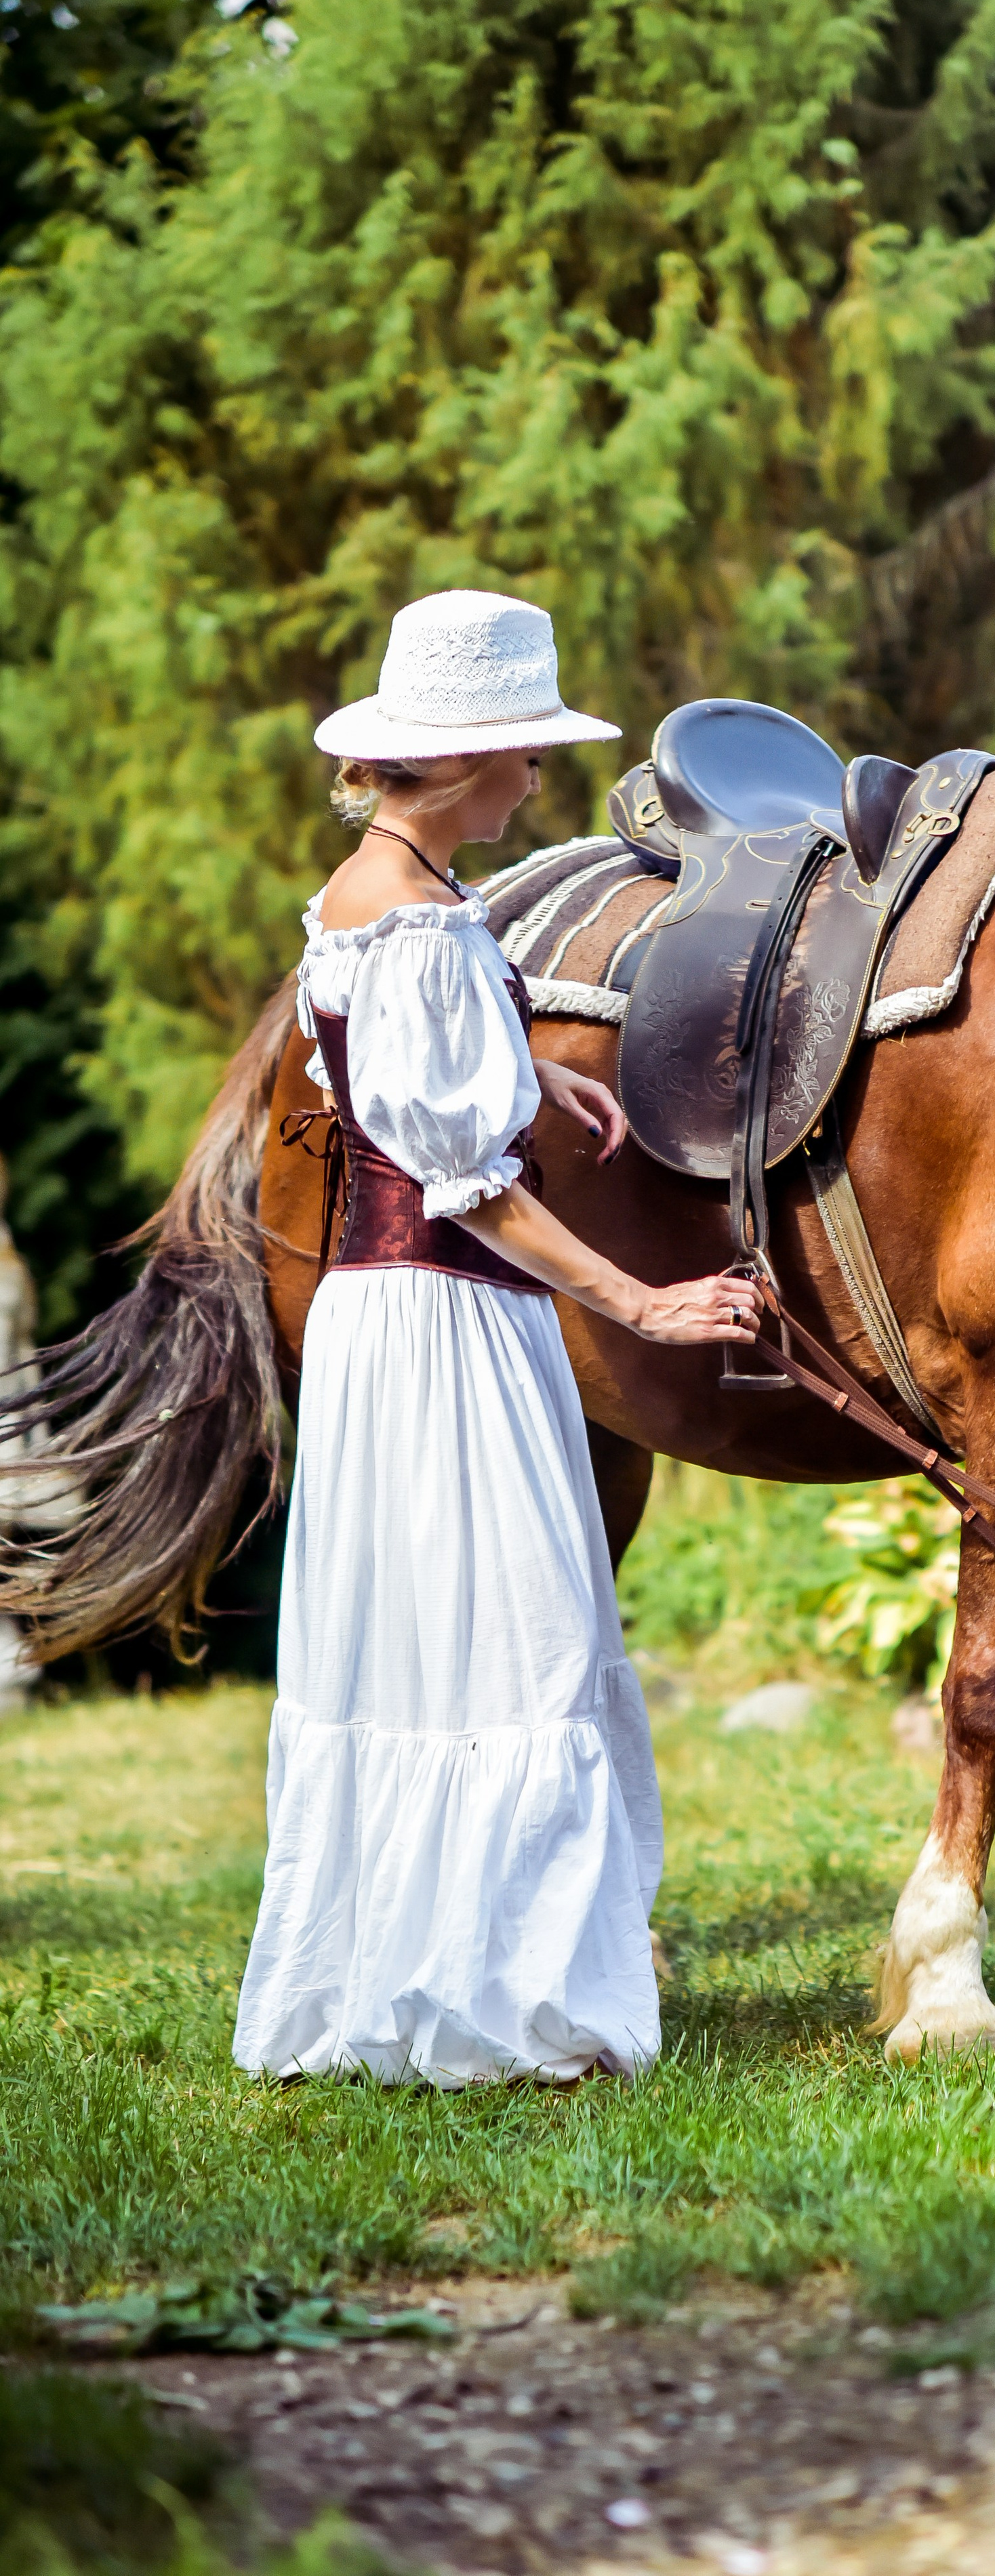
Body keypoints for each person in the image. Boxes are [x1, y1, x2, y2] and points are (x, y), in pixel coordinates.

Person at [232, 589, 758, 2087]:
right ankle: (501, 1998)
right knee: (505, 1640)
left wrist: (523, 1066)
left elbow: (394, 1077)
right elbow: (467, 1191)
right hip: (450, 1319)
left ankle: (447, 1966)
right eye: (529, 753)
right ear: (470, 761)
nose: (540, 780)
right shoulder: (419, 929)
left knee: (443, 1640)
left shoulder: (376, 901)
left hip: (395, 1322)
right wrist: (648, 1301)